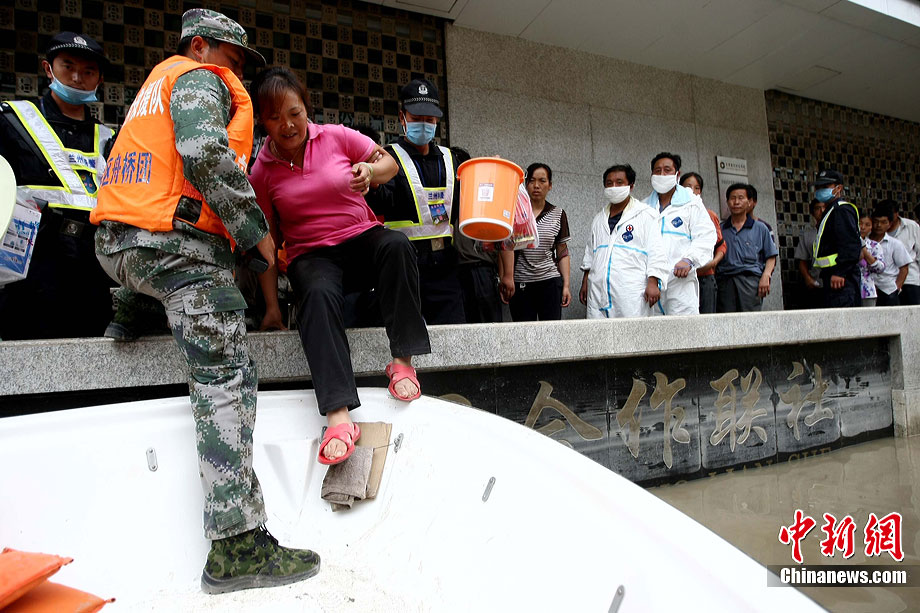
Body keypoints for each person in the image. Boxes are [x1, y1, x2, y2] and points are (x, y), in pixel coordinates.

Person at [90, 9, 319, 594]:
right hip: (171, 249)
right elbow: (204, 154)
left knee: (182, 287)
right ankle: (236, 546)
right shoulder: (198, 77)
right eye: (232, 60)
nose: (234, 74)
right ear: (199, 46)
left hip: (119, 248)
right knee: (226, 377)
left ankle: (133, 305)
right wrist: (255, 233)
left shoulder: (153, 88)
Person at [247, 69, 430, 462]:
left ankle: (402, 361)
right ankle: (338, 415)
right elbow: (267, 243)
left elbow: (388, 164)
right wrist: (272, 308)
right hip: (312, 255)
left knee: (396, 245)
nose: (287, 125)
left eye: (294, 113)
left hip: (360, 238)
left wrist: (370, 171)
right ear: (262, 121)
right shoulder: (261, 171)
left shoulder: (335, 136)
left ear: (306, 109)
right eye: (275, 117)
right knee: (314, 290)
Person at [0, 32, 115, 340]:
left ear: (99, 79)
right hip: (32, 266)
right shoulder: (13, 121)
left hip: (91, 266)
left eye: (88, 71)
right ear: (48, 69)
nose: (77, 78)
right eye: (68, 66)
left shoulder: (109, 138)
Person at [365, 78, 465, 324]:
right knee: (408, 334)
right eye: (417, 118)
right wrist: (373, 181)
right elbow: (380, 203)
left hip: (445, 265)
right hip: (404, 264)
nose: (424, 124)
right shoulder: (388, 157)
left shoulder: (450, 158)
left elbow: (463, 204)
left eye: (430, 119)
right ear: (402, 117)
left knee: (452, 334)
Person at [580, 164, 666, 318]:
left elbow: (656, 251)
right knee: (598, 329)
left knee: (631, 329)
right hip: (598, 290)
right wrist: (585, 281)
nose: (614, 187)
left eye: (619, 183)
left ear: (631, 186)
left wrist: (653, 282)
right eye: (609, 183)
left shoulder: (646, 215)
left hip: (630, 291)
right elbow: (590, 253)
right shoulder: (599, 219)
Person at [642, 152, 716, 316]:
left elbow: (706, 236)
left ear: (677, 174)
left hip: (681, 282)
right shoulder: (644, 207)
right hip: (651, 283)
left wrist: (689, 259)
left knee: (684, 328)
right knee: (652, 328)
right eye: (657, 171)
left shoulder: (691, 202)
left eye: (667, 170)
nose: (662, 174)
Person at [505, 163, 571, 321]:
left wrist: (566, 285)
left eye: (542, 181)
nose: (536, 186)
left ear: (550, 185)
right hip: (520, 282)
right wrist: (505, 278)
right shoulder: (514, 212)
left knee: (550, 331)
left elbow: (562, 251)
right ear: (525, 184)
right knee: (523, 331)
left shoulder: (558, 214)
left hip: (550, 282)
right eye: (532, 180)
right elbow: (505, 246)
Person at [451, 146, 503, 323]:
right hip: (454, 270)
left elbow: (504, 237)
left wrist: (506, 275)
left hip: (481, 269)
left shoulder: (481, 191)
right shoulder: (448, 193)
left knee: (487, 324)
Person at [715, 184, 778, 312]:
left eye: (741, 198)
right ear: (727, 202)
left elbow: (771, 256)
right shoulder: (720, 230)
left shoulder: (760, 228)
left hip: (751, 283)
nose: (736, 202)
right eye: (732, 198)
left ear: (749, 202)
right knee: (726, 320)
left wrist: (766, 276)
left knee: (751, 320)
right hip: (725, 283)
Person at [812, 169, 861, 307]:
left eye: (825, 186)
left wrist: (840, 272)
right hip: (831, 276)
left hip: (842, 279)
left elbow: (850, 245)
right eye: (818, 187)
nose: (820, 190)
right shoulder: (831, 210)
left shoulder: (841, 210)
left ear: (838, 188)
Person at [679, 172, 725, 314]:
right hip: (680, 278)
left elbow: (721, 245)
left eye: (697, 188)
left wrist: (713, 263)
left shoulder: (708, 214)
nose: (692, 191)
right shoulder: (672, 213)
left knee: (706, 318)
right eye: (688, 187)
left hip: (704, 277)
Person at [869, 201, 911, 306]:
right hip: (868, 289)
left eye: (884, 222)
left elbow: (904, 268)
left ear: (890, 224)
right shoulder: (864, 242)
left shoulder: (895, 244)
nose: (879, 225)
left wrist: (896, 288)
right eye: (876, 222)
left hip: (888, 290)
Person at [883, 198, 920, 305]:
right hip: (887, 283)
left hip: (910, 280)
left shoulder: (911, 226)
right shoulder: (877, 229)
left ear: (896, 214)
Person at [794, 199, 826, 309]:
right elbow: (802, 260)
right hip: (816, 284)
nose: (822, 211)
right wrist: (808, 278)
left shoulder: (838, 230)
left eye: (824, 207)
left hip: (836, 283)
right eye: (818, 208)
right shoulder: (808, 235)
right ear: (813, 213)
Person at [857, 212, 884, 307]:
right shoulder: (846, 243)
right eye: (860, 223)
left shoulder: (874, 245)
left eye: (867, 225)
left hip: (868, 291)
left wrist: (865, 251)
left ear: (871, 227)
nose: (863, 227)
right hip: (850, 290)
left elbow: (880, 268)